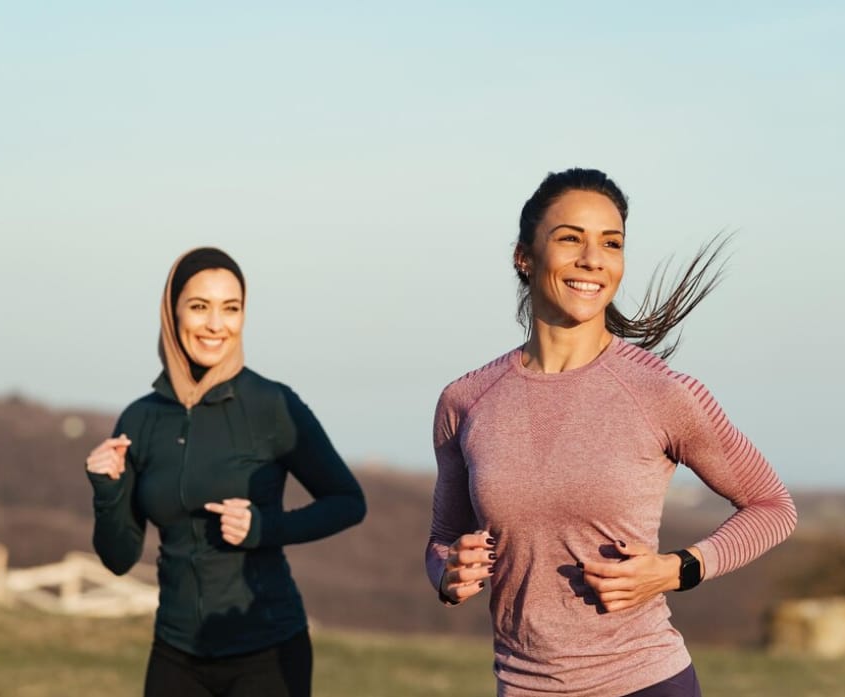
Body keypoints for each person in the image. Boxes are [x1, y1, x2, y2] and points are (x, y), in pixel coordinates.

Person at [425, 168, 797, 697]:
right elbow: (442, 541)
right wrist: (446, 573)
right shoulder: (464, 402)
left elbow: (772, 505)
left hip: (644, 681)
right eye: (571, 238)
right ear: (524, 257)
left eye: (611, 243)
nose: (593, 259)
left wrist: (677, 570)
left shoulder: (663, 393)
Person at [86, 247, 366, 697]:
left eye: (230, 308)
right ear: (171, 312)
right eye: (200, 307)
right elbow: (119, 559)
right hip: (175, 652)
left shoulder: (271, 404)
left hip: (268, 652)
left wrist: (264, 527)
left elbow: (349, 502)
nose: (216, 324)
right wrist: (107, 491)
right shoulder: (140, 420)